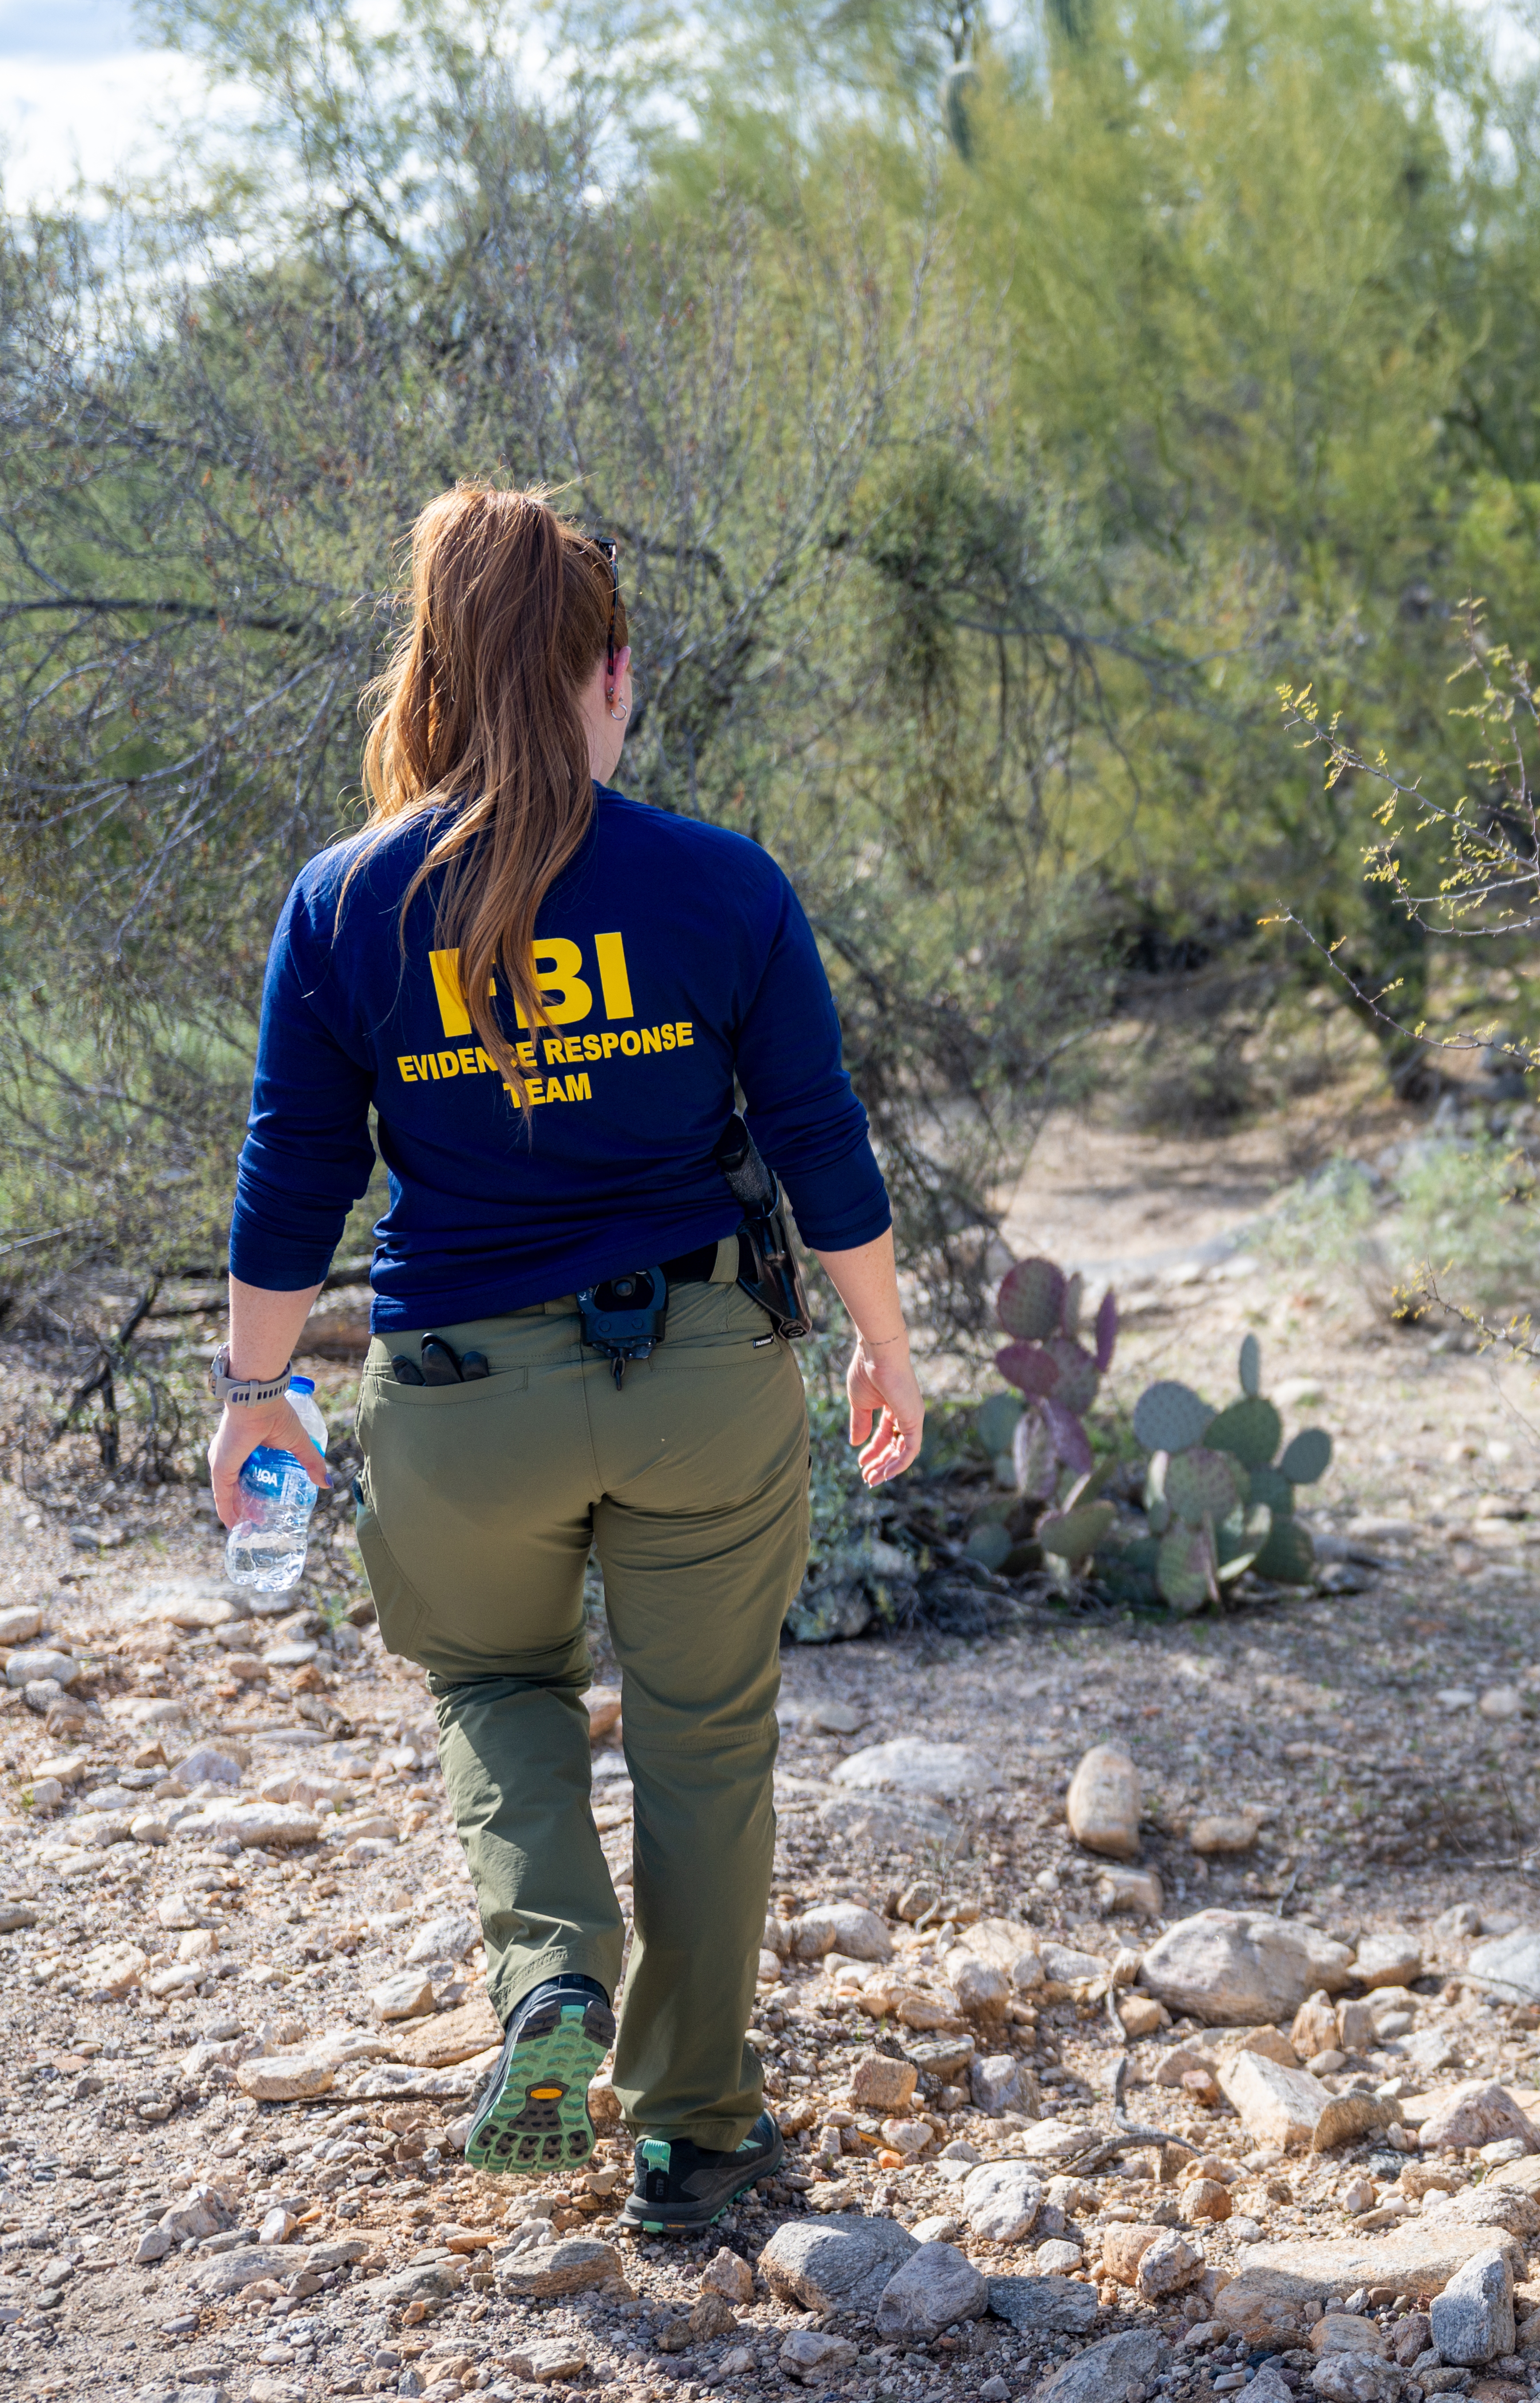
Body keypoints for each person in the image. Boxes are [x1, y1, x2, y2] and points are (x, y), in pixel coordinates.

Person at [208, 484, 926, 2235]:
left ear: (436, 680)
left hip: (459, 1402)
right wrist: (887, 1347)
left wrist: (253, 1394)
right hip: (701, 1378)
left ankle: (550, 1982)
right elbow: (821, 1142)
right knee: (703, 1742)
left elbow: (293, 1178)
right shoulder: (724, 888)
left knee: (495, 1688)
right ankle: (696, 2135)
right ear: (610, 676)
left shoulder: (343, 904)